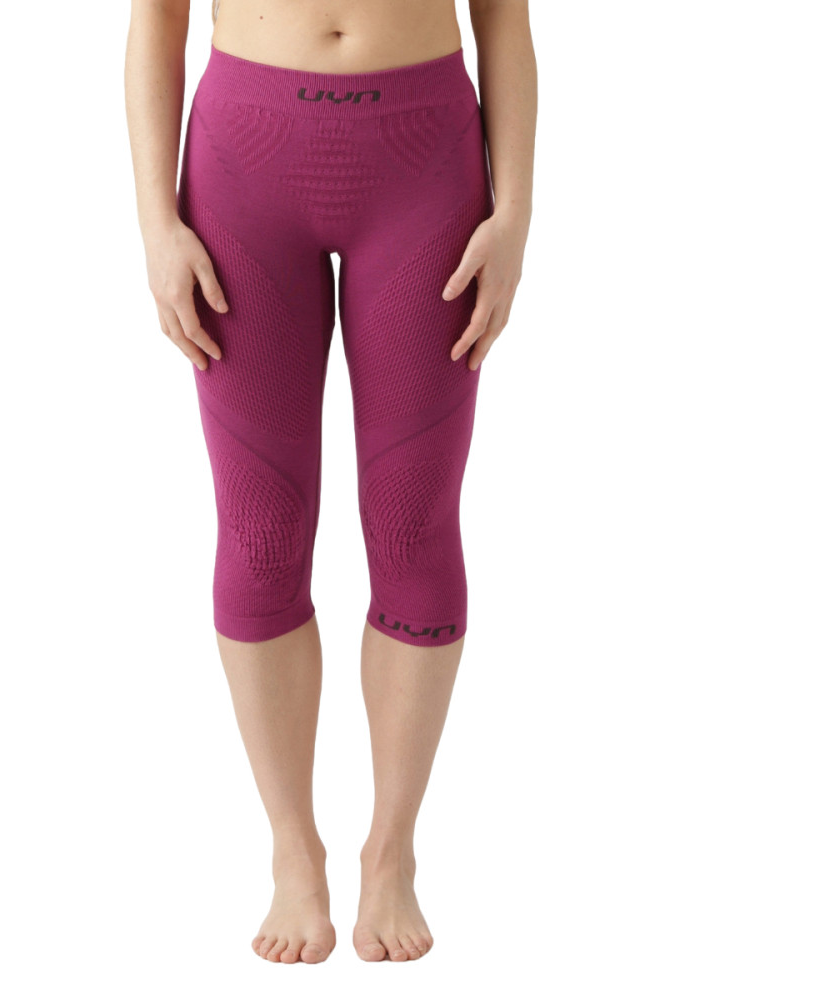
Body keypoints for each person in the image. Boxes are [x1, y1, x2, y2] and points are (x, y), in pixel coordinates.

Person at [124, 0, 536, 964]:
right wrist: (155, 224)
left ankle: (391, 851)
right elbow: (154, 21)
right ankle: (292, 850)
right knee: (259, 533)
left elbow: (506, 21)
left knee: (413, 524)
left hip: (426, 163)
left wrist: (515, 213)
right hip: (245, 163)